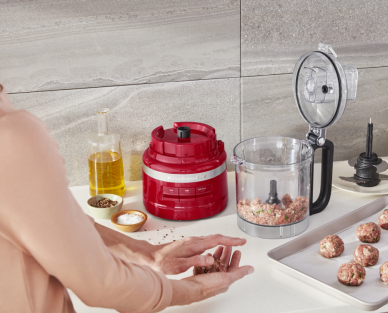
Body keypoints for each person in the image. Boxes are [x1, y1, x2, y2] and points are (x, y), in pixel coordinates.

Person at [0, 84, 254, 313]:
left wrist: (147, 254)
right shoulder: (13, 135)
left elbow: (52, 224)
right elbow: (102, 283)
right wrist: (194, 290)